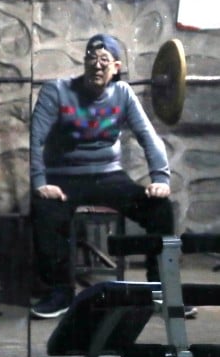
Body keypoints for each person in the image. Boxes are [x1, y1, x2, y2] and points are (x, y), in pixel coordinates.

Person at [29, 33, 181, 319]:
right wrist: (40, 183)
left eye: (104, 61)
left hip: (108, 176)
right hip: (64, 176)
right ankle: (60, 292)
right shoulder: (56, 91)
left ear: (116, 67)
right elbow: (36, 139)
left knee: (159, 209)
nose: (96, 66)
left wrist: (161, 179)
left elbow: (149, 137)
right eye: (91, 59)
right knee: (45, 208)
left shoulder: (122, 93)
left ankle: (161, 289)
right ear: (84, 62)